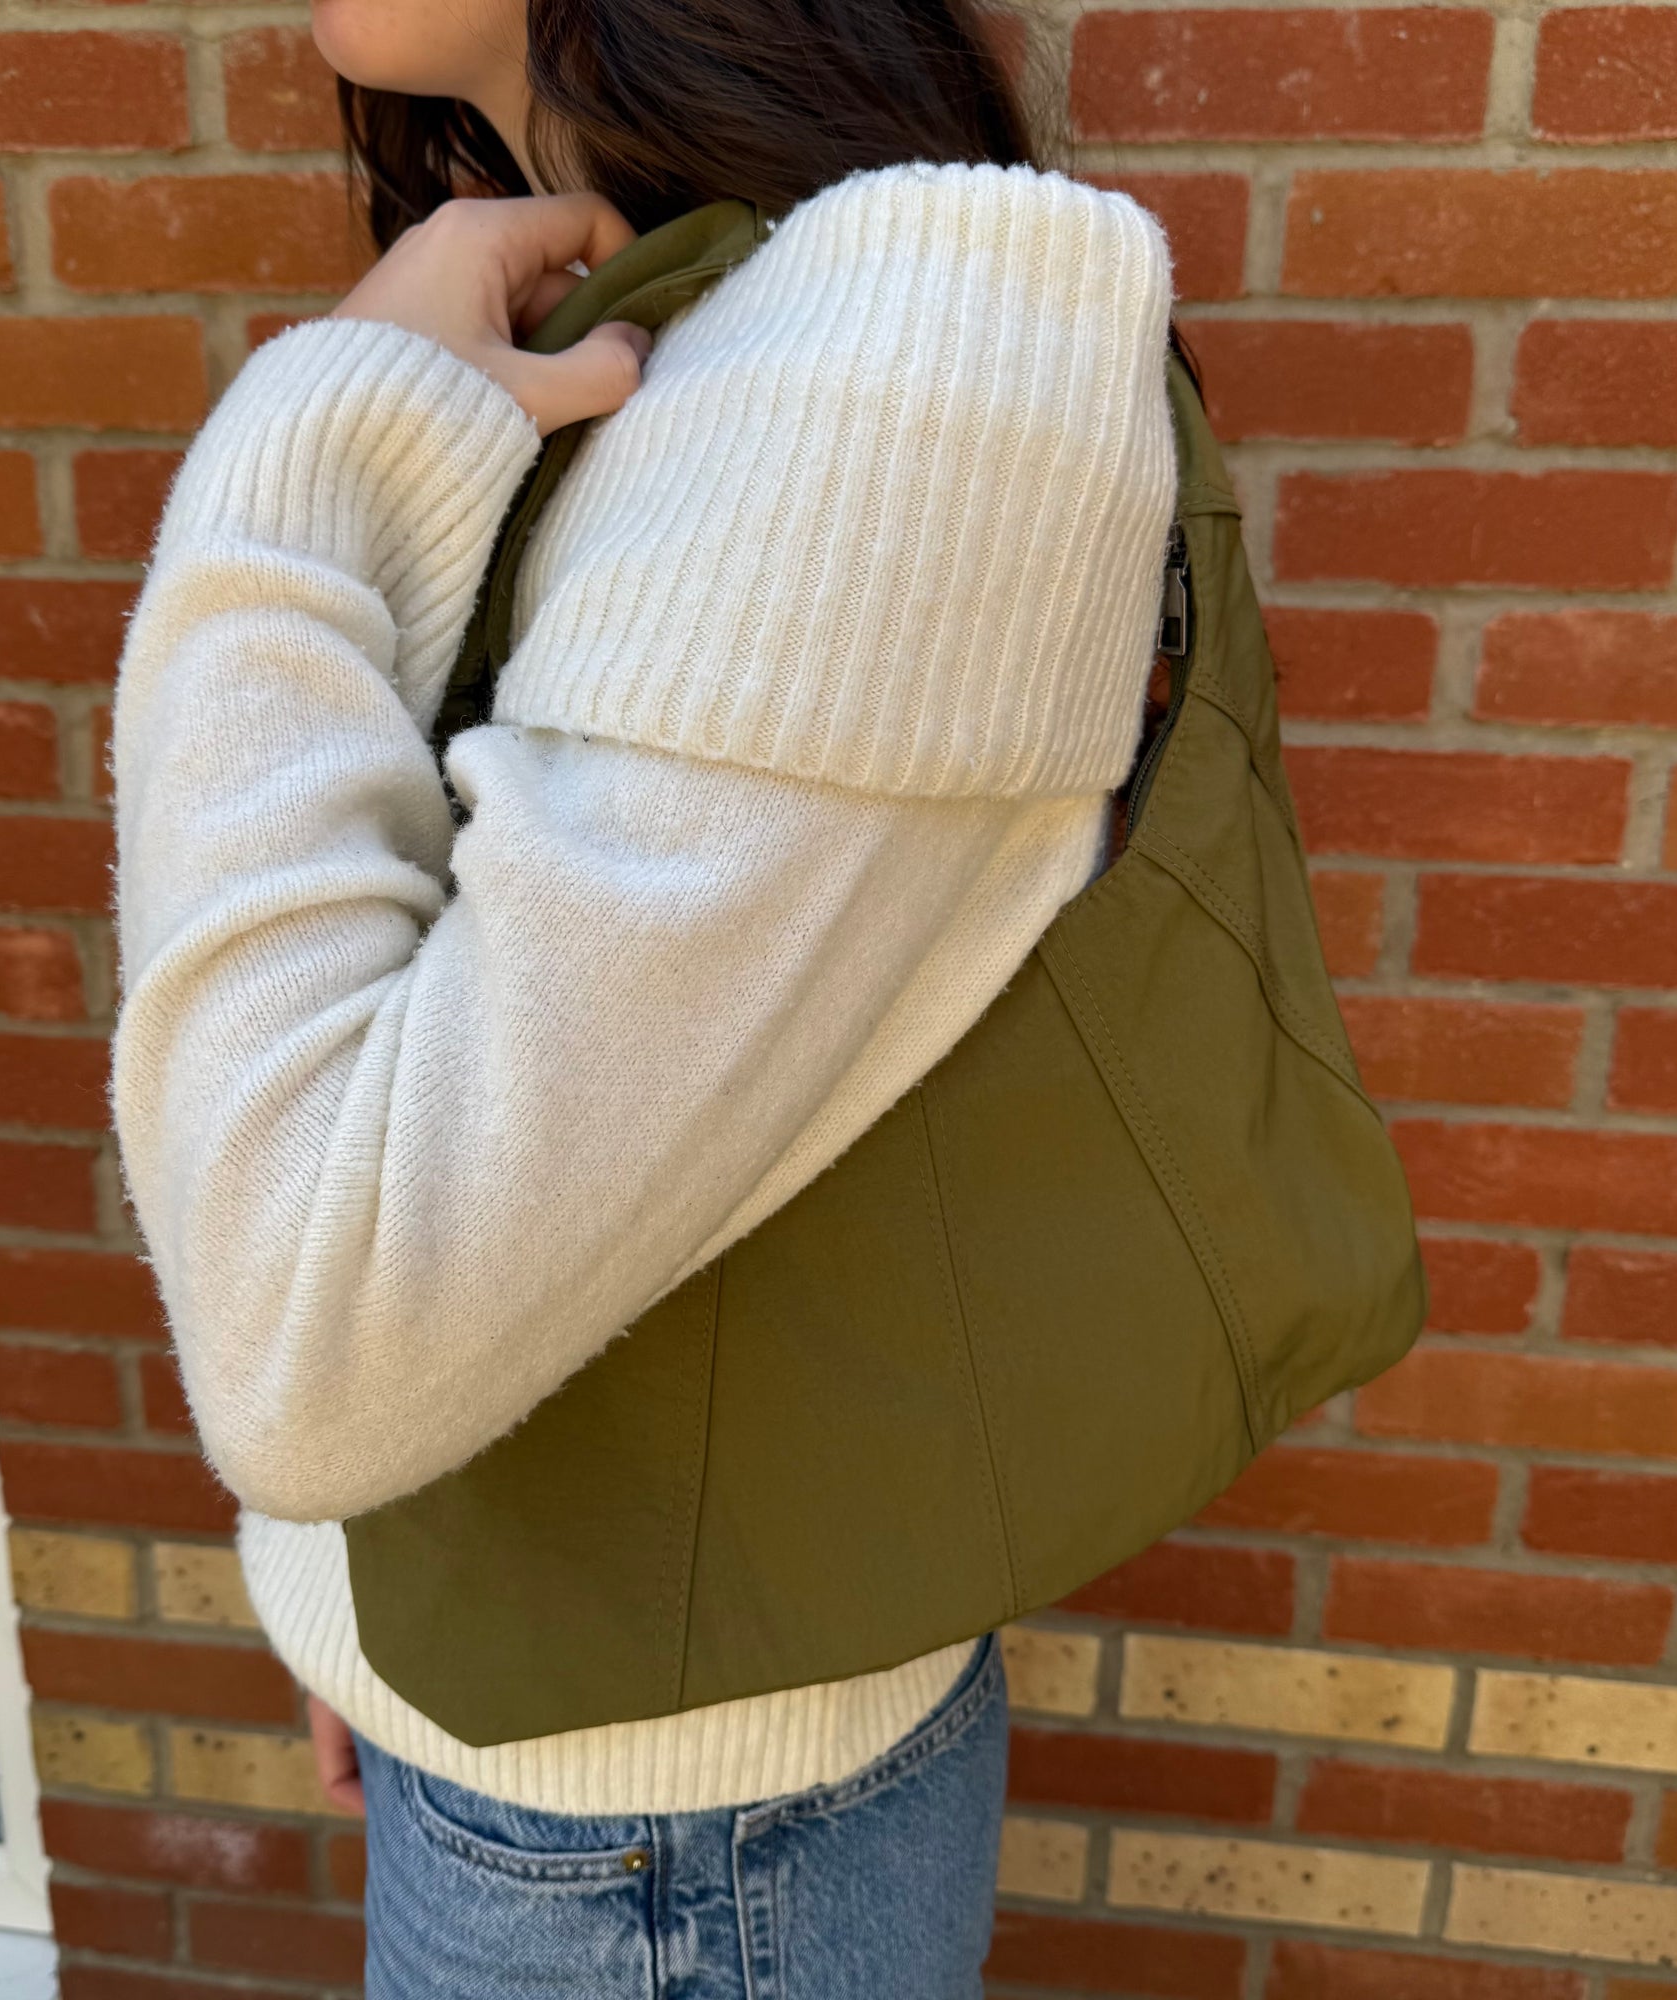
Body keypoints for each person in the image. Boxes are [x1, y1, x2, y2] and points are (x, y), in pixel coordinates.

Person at [107, 0, 1178, 1989]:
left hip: (655, 1852)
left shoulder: (888, 384)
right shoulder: (713, 330)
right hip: (585, 1750)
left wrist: (297, 471)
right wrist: (380, 1599)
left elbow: (305, 1334)